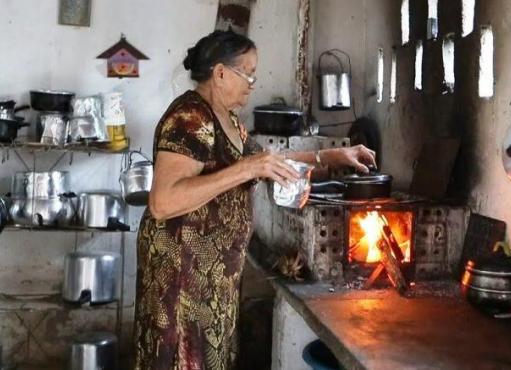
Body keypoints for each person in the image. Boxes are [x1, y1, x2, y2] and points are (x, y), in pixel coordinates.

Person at [134, 30, 376, 370]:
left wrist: (335, 155)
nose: (252, 83)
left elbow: (268, 163)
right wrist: (246, 168)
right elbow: (162, 201)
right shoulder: (188, 119)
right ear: (220, 73)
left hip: (212, 277)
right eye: (247, 73)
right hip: (181, 278)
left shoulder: (229, 120)